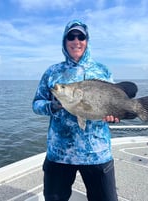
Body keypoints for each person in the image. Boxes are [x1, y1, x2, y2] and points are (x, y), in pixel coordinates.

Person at [32, 19, 118, 201]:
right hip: (60, 154)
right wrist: (51, 106)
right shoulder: (52, 72)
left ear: (87, 41)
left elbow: (113, 101)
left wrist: (115, 115)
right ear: (64, 41)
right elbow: (36, 104)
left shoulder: (102, 70)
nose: (76, 41)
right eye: (71, 36)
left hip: (97, 154)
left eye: (81, 36)